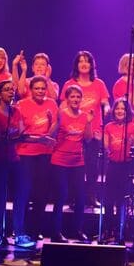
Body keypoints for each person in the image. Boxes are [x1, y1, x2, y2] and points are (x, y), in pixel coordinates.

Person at [0, 79, 30, 247]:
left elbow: (23, 133)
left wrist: (41, 139)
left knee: (20, 194)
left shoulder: (16, 112)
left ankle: (19, 233)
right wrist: (17, 138)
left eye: (12, 89)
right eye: (7, 90)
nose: (11, 92)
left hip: (12, 158)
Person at [62, 51, 110, 207]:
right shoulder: (69, 84)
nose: (83, 64)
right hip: (73, 132)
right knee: (74, 167)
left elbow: (105, 103)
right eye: (80, 61)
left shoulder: (99, 84)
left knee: (92, 167)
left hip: (93, 131)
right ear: (76, 65)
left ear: (91, 65)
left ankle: (91, 196)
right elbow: (63, 106)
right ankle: (73, 198)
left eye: (87, 61)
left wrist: (107, 108)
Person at [16, 75, 59, 240]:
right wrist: (38, 138)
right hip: (25, 154)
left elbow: (53, 132)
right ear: (31, 90)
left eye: (43, 88)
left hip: (44, 155)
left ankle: (34, 231)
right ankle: (20, 230)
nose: (40, 91)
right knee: (23, 193)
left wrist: (52, 122)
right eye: (37, 88)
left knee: (41, 195)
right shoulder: (22, 105)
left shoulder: (51, 104)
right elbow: (20, 134)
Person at [49, 84, 94, 243]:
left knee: (80, 198)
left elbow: (88, 139)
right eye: (72, 97)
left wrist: (89, 122)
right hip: (59, 161)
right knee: (61, 196)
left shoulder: (84, 116)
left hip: (77, 162)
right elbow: (50, 135)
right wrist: (57, 121)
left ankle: (78, 230)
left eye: (78, 97)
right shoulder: (61, 114)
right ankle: (56, 232)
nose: (75, 99)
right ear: (67, 99)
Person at [103, 98, 134, 242]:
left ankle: (120, 230)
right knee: (108, 200)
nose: (120, 111)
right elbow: (106, 147)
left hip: (126, 167)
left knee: (121, 200)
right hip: (112, 166)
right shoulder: (108, 127)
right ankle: (108, 228)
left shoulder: (133, 127)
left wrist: (132, 145)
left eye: (123, 109)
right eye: (117, 108)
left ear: (127, 111)